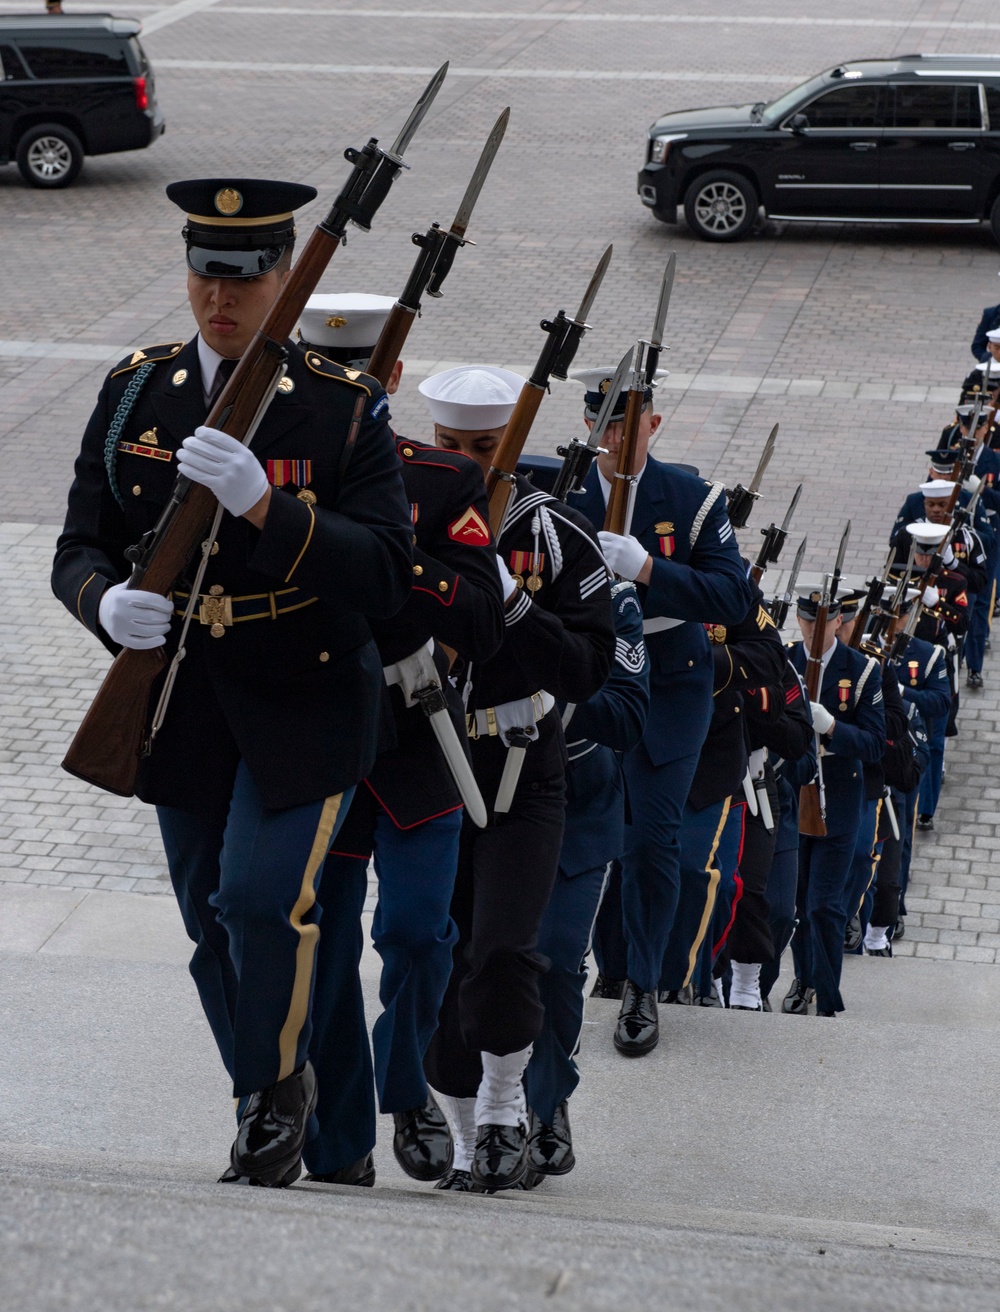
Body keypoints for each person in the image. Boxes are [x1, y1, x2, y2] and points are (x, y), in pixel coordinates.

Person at [52, 178, 414, 1187]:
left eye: (247, 277)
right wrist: (103, 605)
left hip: (308, 686)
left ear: (285, 278)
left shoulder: (341, 407)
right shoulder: (138, 392)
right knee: (215, 923)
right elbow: (80, 543)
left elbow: (387, 573)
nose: (222, 297)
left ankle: (268, 1097)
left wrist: (267, 508)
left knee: (259, 901)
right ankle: (320, 1129)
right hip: (183, 694)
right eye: (207, 273)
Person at [292, 295, 507, 1187]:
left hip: (417, 736)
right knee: (323, 946)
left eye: (364, 371)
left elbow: (481, 614)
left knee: (420, 934)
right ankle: (336, 1138)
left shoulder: (442, 479)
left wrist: (388, 564)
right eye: (329, 369)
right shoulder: (276, 467)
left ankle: (406, 1085)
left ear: (393, 376)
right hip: (321, 735)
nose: (347, 385)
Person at [418, 365, 616, 1192]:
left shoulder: (554, 533)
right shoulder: (403, 512)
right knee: (433, 953)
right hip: (427, 761)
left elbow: (588, 668)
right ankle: (462, 1132)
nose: (467, 461)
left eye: (484, 446)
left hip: (519, 764)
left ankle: (505, 1105)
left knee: (503, 949)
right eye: (450, 444)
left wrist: (510, 601)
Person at [566, 366, 754, 1055]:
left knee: (652, 838)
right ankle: (575, 965)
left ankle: (642, 983)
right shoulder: (565, 490)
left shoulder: (693, 499)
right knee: (578, 828)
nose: (616, 437)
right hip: (585, 671)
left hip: (670, 680)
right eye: (605, 423)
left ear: (654, 424)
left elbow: (734, 598)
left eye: (629, 424)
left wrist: (648, 569)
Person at [784, 589, 885, 1017]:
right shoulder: (785, 659)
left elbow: (875, 743)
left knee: (824, 905)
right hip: (793, 795)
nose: (814, 629)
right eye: (808, 620)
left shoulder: (861, 670)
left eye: (823, 621)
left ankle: (826, 995)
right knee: (798, 903)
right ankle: (803, 979)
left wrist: (831, 728)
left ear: (839, 622)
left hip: (839, 799)